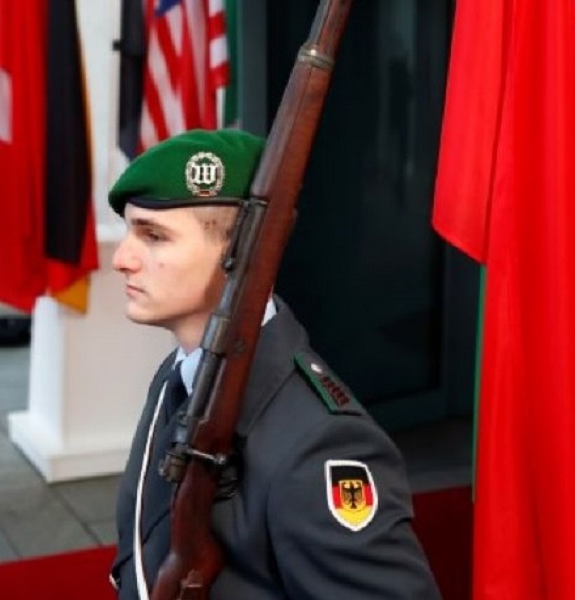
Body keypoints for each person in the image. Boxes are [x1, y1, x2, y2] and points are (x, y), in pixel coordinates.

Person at [108, 129, 441, 599]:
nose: (122, 259)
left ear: (241, 255)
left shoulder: (318, 443)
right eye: (129, 231)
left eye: (154, 236)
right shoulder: (177, 375)